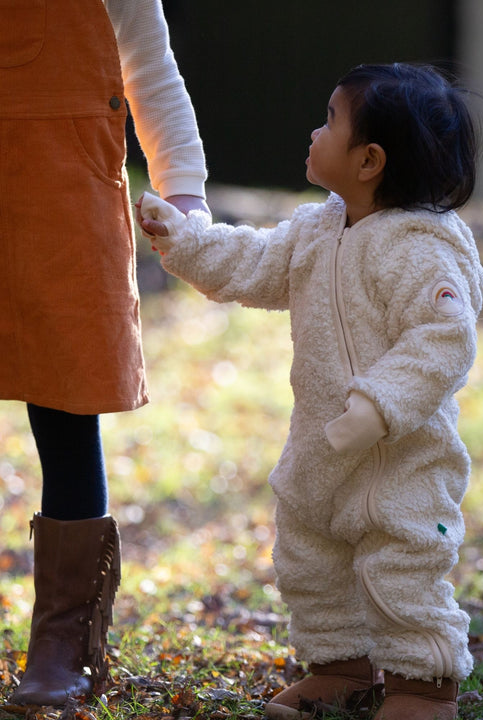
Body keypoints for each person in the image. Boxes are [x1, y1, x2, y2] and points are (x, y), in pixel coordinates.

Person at [139, 63, 483, 720]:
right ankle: (339, 667)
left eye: (330, 120)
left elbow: (444, 340)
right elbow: (250, 262)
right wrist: (185, 240)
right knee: (310, 559)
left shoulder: (423, 251)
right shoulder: (316, 230)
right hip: (318, 450)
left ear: (369, 160)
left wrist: (378, 407)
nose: (314, 131)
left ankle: (425, 687)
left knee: (404, 570)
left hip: (403, 462)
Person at [1, 0, 208, 707]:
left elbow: (150, 68)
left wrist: (184, 192)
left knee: (65, 402)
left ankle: (63, 644)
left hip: (61, 203)